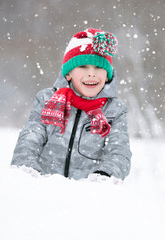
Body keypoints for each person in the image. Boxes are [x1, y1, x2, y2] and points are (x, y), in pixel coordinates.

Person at [11, 28, 131, 181]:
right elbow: (29, 139)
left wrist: (105, 175)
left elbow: (119, 152)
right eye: (83, 67)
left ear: (107, 75)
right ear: (68, 73)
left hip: (87, 192)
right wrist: (26, 168)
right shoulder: (47, 100)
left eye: (99, 67)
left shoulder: (114, 111)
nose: (91, 73)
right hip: (44, 186)